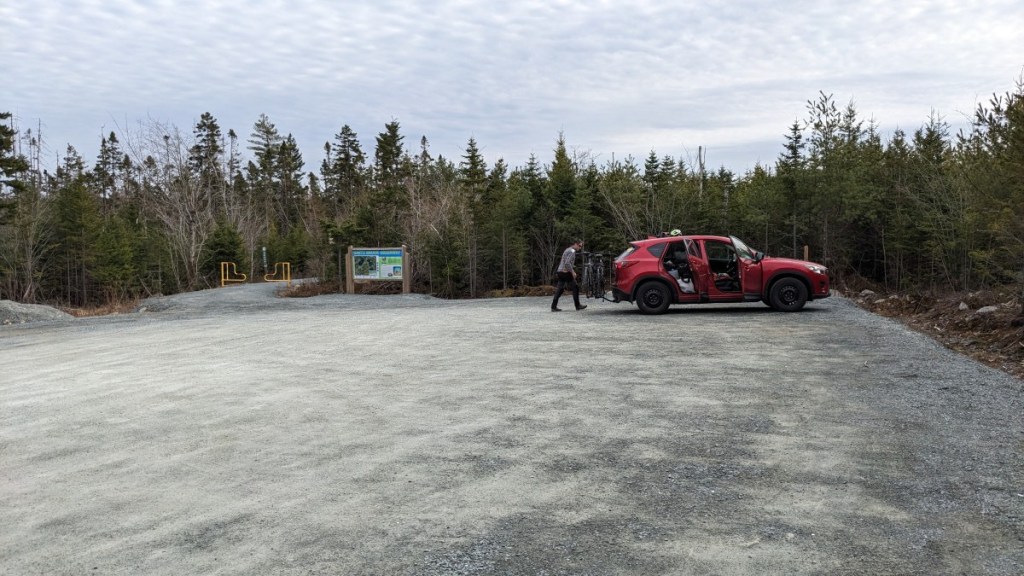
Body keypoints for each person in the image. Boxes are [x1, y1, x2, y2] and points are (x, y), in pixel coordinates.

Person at [551, 239, 587, 312]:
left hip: (560, 271)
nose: (580, 248)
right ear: (575, 244)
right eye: (579, 246)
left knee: (560, 289)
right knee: (575, 287)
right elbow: (567, 263)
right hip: (565, 272)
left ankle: (553, 306)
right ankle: (577, 305)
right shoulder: (572, 251)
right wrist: (572, 272)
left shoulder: (568, 249)